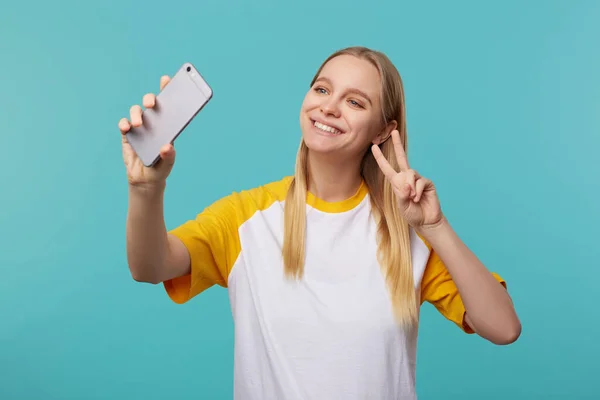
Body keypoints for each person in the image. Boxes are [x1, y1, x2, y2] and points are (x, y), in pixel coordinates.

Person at [119, 46, 521, 399]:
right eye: (323, 89)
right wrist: (145, 189)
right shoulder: (248, 217)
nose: (328, 107)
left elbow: (503, 328)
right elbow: (150, 267)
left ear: (384, 130)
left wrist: (434, 227)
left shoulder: (406, 231)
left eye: (355, 102)